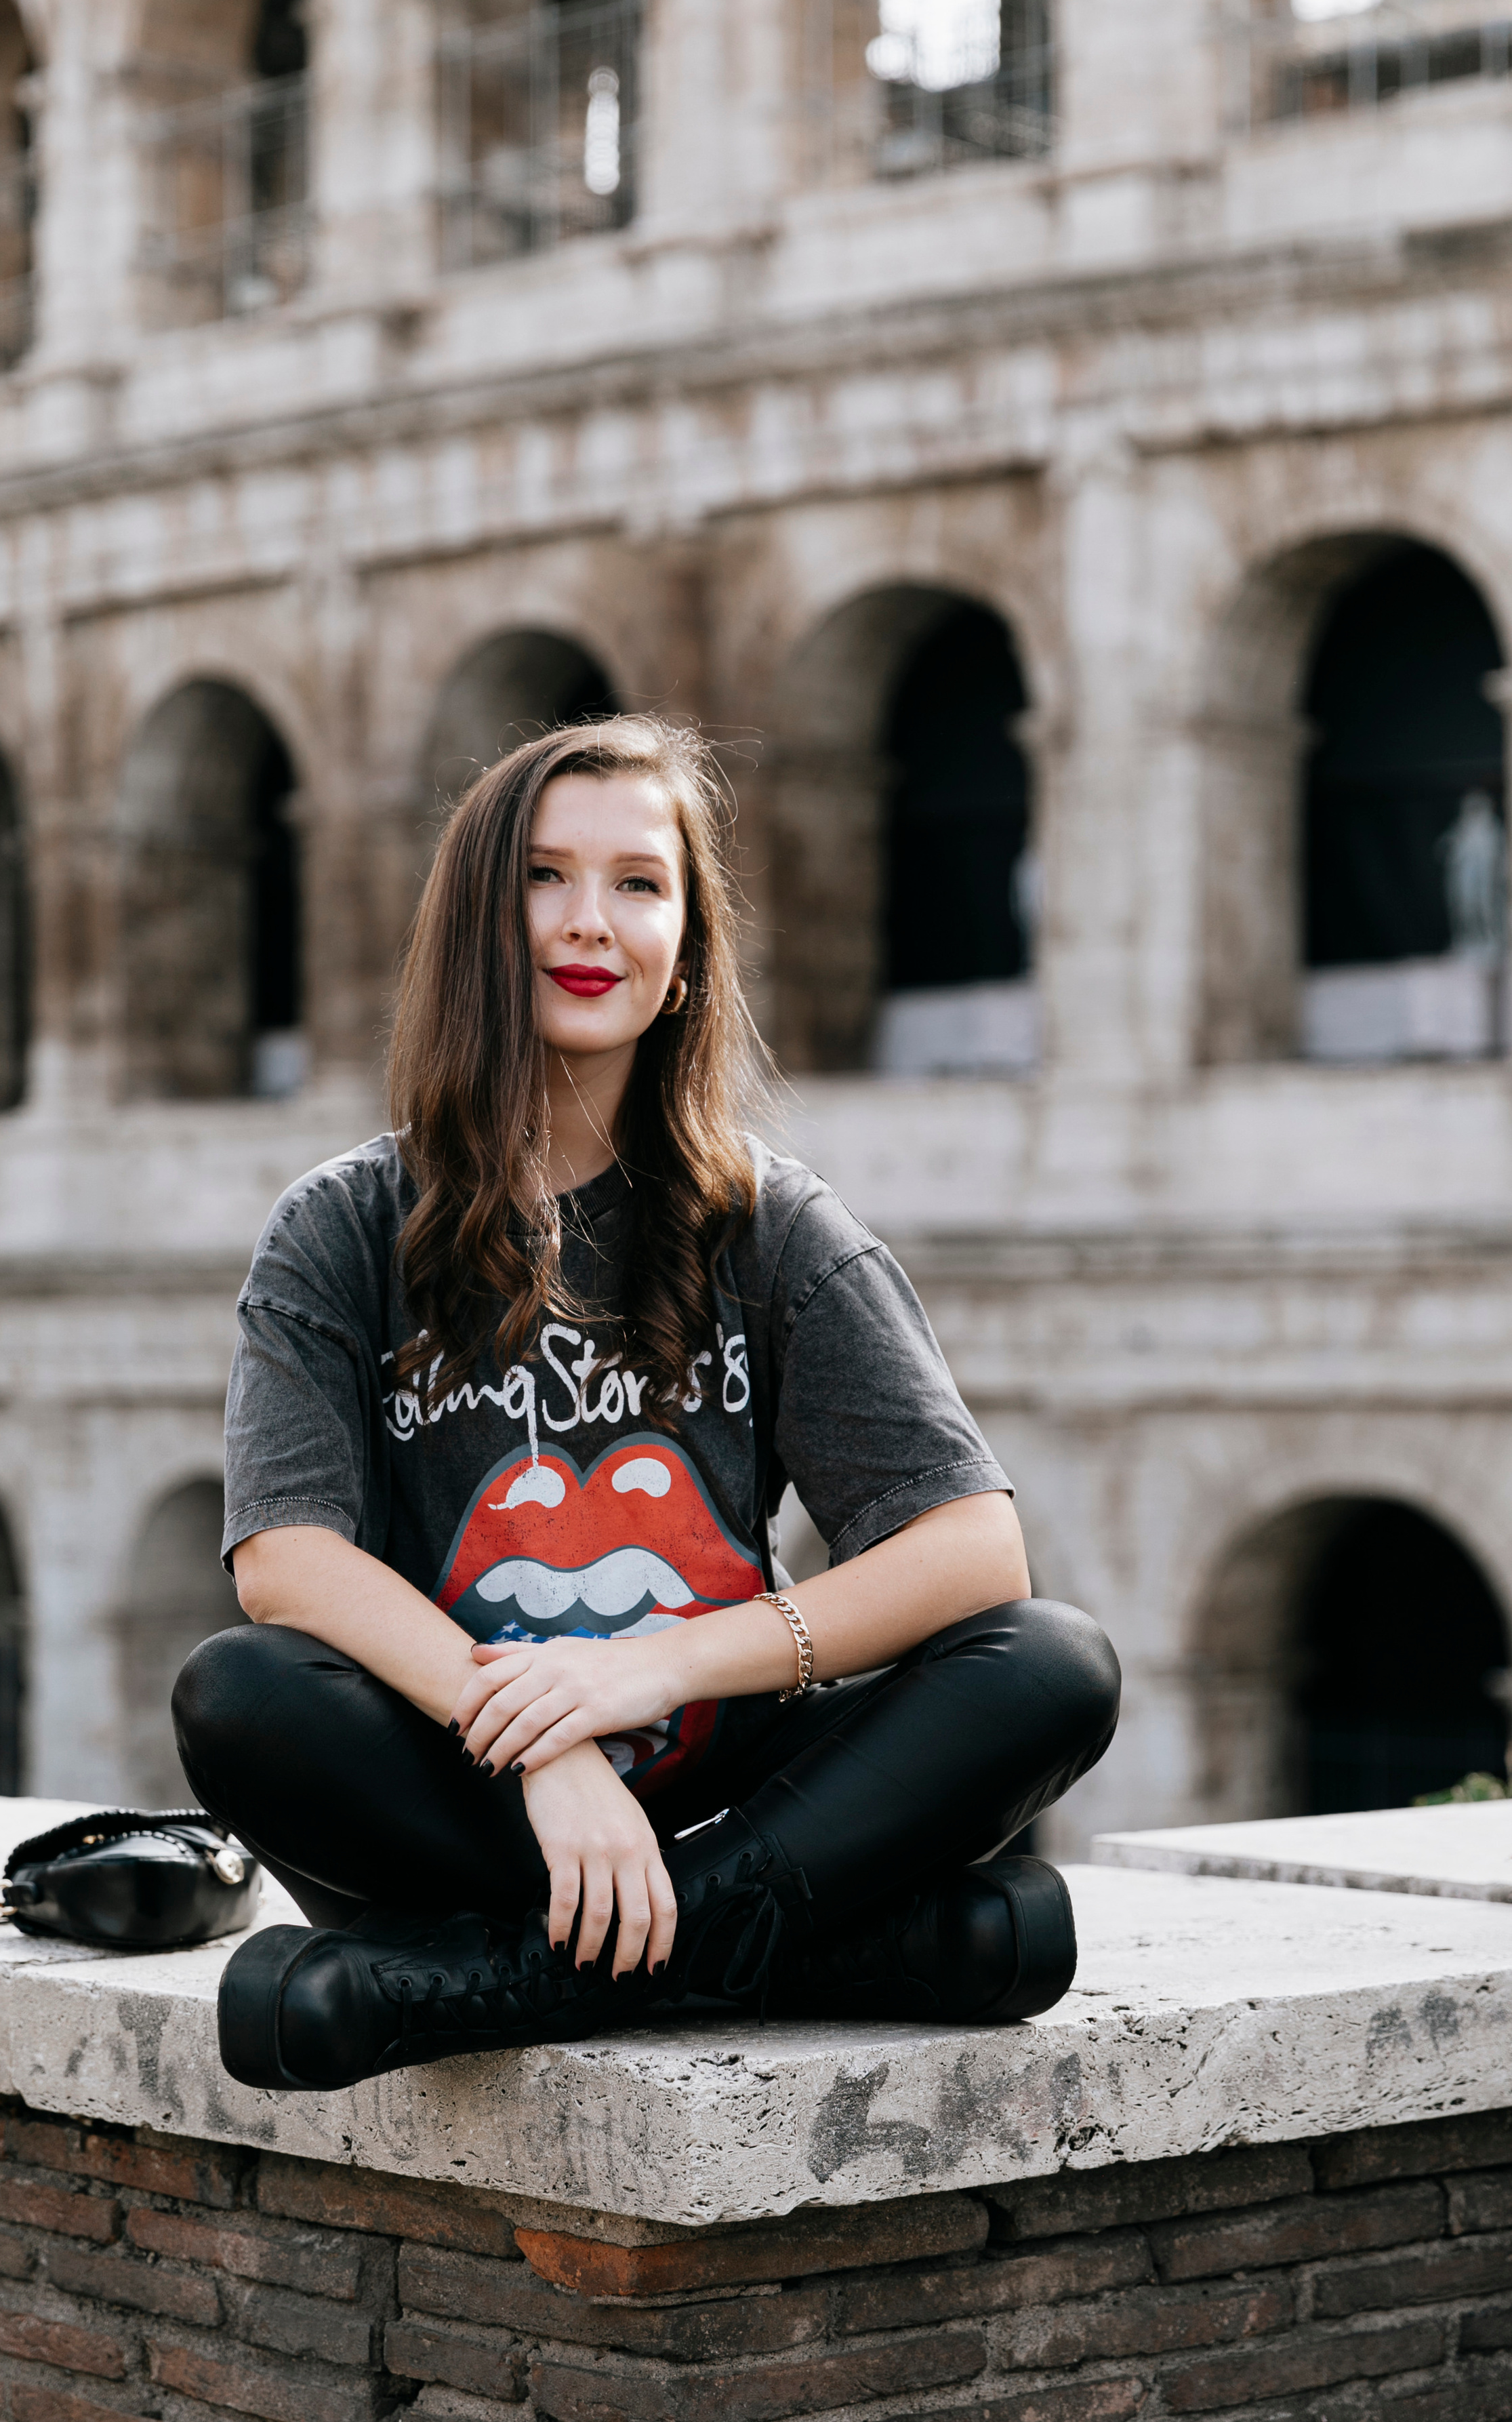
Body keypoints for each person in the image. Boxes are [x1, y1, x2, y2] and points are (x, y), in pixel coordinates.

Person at [173, 714, 1120, 2092]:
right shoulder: (343, 1226)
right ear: (475, 931)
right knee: (243, 1694)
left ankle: (492, 1980)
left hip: (733, 1789)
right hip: (465, 1799)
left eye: (637, 883)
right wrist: (541, 1750)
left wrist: (653, 1667)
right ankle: (818, 1949)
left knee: (1049, 1665)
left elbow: (973, 1551)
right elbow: (286, 1561)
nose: (589, 922)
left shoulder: (770, 1224)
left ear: (684, 952)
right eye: (545, 879)